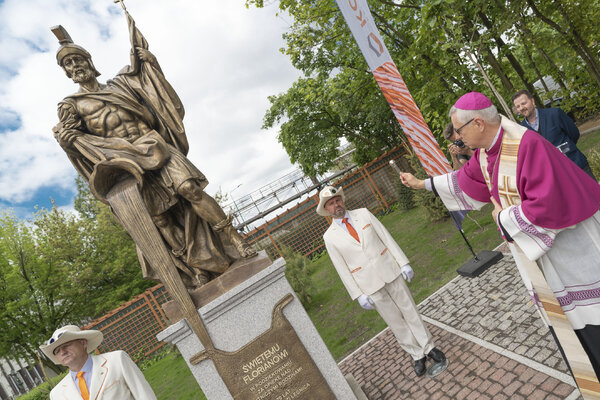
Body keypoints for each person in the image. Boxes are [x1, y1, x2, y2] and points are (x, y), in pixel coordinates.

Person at [399, 92, 600, 392]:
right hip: (545, 263)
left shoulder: (524, 145)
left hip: (574, 258)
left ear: (478, 123)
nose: (458, 138)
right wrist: (421, 184)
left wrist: (502, 218)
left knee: (592, 325)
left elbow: (548, 203)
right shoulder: (487, 153)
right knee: (574, 334)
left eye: (460, 130)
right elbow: (460, 182)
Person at [50, 11, 255, 290]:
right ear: (66, 73)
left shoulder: (121, 83)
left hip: (156, 145)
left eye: (78, 60)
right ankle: (194, 269)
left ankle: (235, 240)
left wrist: (151, 63)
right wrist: (65, 140)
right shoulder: (71, 105)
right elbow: (74, 141)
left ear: (89, 62)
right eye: (69, 64)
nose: (75, 66)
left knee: (190, 190)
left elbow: (150, 86)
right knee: (160, 218)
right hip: (127, 164)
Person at [316, 186, 446, 377]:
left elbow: (386, 237)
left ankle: (429, 348)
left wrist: (403, 262)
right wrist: (358, 294)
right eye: (331, 204)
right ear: (326, 209)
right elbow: (341, 269)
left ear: (342, 200)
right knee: (395, 321)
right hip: (368, 284)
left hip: (390, 270)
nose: (336, 205)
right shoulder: (329, 237)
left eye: (338, 200)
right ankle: (416, 354)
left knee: (410, 310)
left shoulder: (363, 214)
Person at [40, 325, 156, 400]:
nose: (63, 352)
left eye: (67, 345)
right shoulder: (56, 394)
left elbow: (145, 396)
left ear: (83, 343)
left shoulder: (117, 360)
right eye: (57, 351)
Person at [512, 89, 596, 179]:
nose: (521, 108)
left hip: (577, 165)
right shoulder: (521, 130)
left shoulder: (555, 113)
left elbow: (574, 134)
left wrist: (566, 149)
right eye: (518, 106)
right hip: (555, 177)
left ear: (532, 101)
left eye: (524, 103)